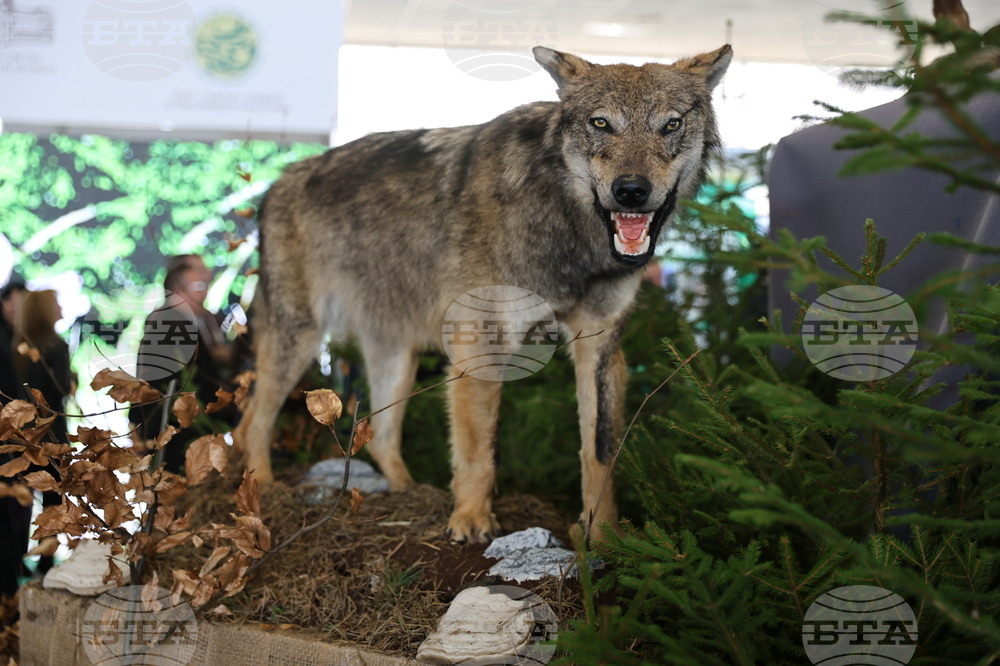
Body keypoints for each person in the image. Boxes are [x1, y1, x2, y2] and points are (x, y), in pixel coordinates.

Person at [130, 256, 236, 473]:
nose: (207, 277)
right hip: (175, 435)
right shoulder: (167, 322)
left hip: (199, 430)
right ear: (177, 282)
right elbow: (165, 386)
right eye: (198, 273)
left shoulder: (206, 320)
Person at [0, 280, 28, 599]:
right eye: (12, 302)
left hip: (15, 447)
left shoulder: (19, 340)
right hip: (6, 447)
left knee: (15, 524)